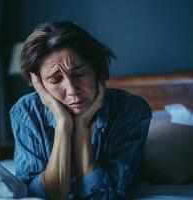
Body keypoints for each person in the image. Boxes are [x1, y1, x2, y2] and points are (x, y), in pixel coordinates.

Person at [10, 21, 152, 200]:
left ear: (96, 69)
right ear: (40, 85)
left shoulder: (131, 110)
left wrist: (82, 128)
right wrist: (62, 123)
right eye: (55, 80)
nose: (71, 89)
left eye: (78, 74)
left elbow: (103, 196)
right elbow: (42, 196)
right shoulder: (26, 112)